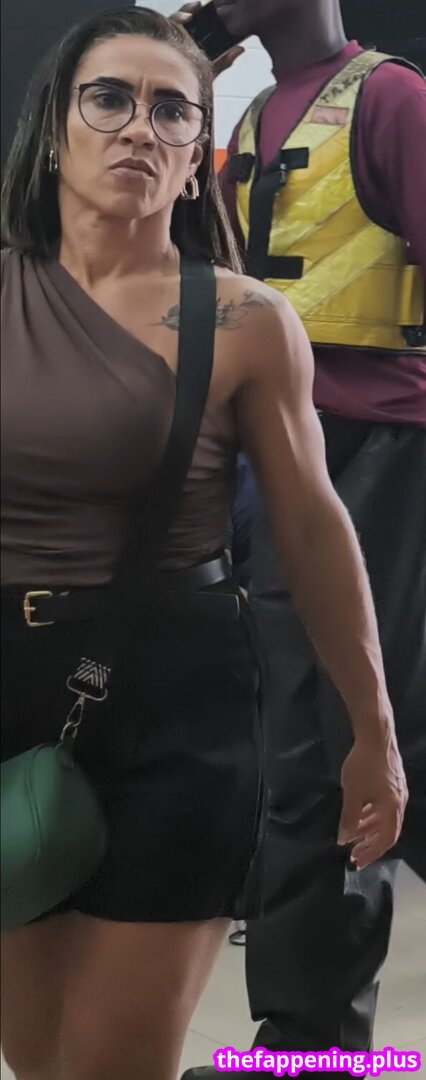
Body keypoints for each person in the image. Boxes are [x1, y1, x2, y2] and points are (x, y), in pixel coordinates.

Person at [0, 6, 408, 1080]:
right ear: (55, 129)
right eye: (109, 99)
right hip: (7, 688)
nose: (140, 125)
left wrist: (372, 727)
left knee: (111, 1063)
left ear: (196, 161)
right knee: (37, 1058)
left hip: (178, 708)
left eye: (171, 109)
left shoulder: (244, 322)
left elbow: (313, 527)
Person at [180, 1, 426, 1078]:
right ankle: (306, 1042)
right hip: (263, 449)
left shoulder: (391, 99)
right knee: (295, 743)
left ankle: (309, 1048)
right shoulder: (234, 114)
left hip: (375, 452)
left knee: (330, 746)